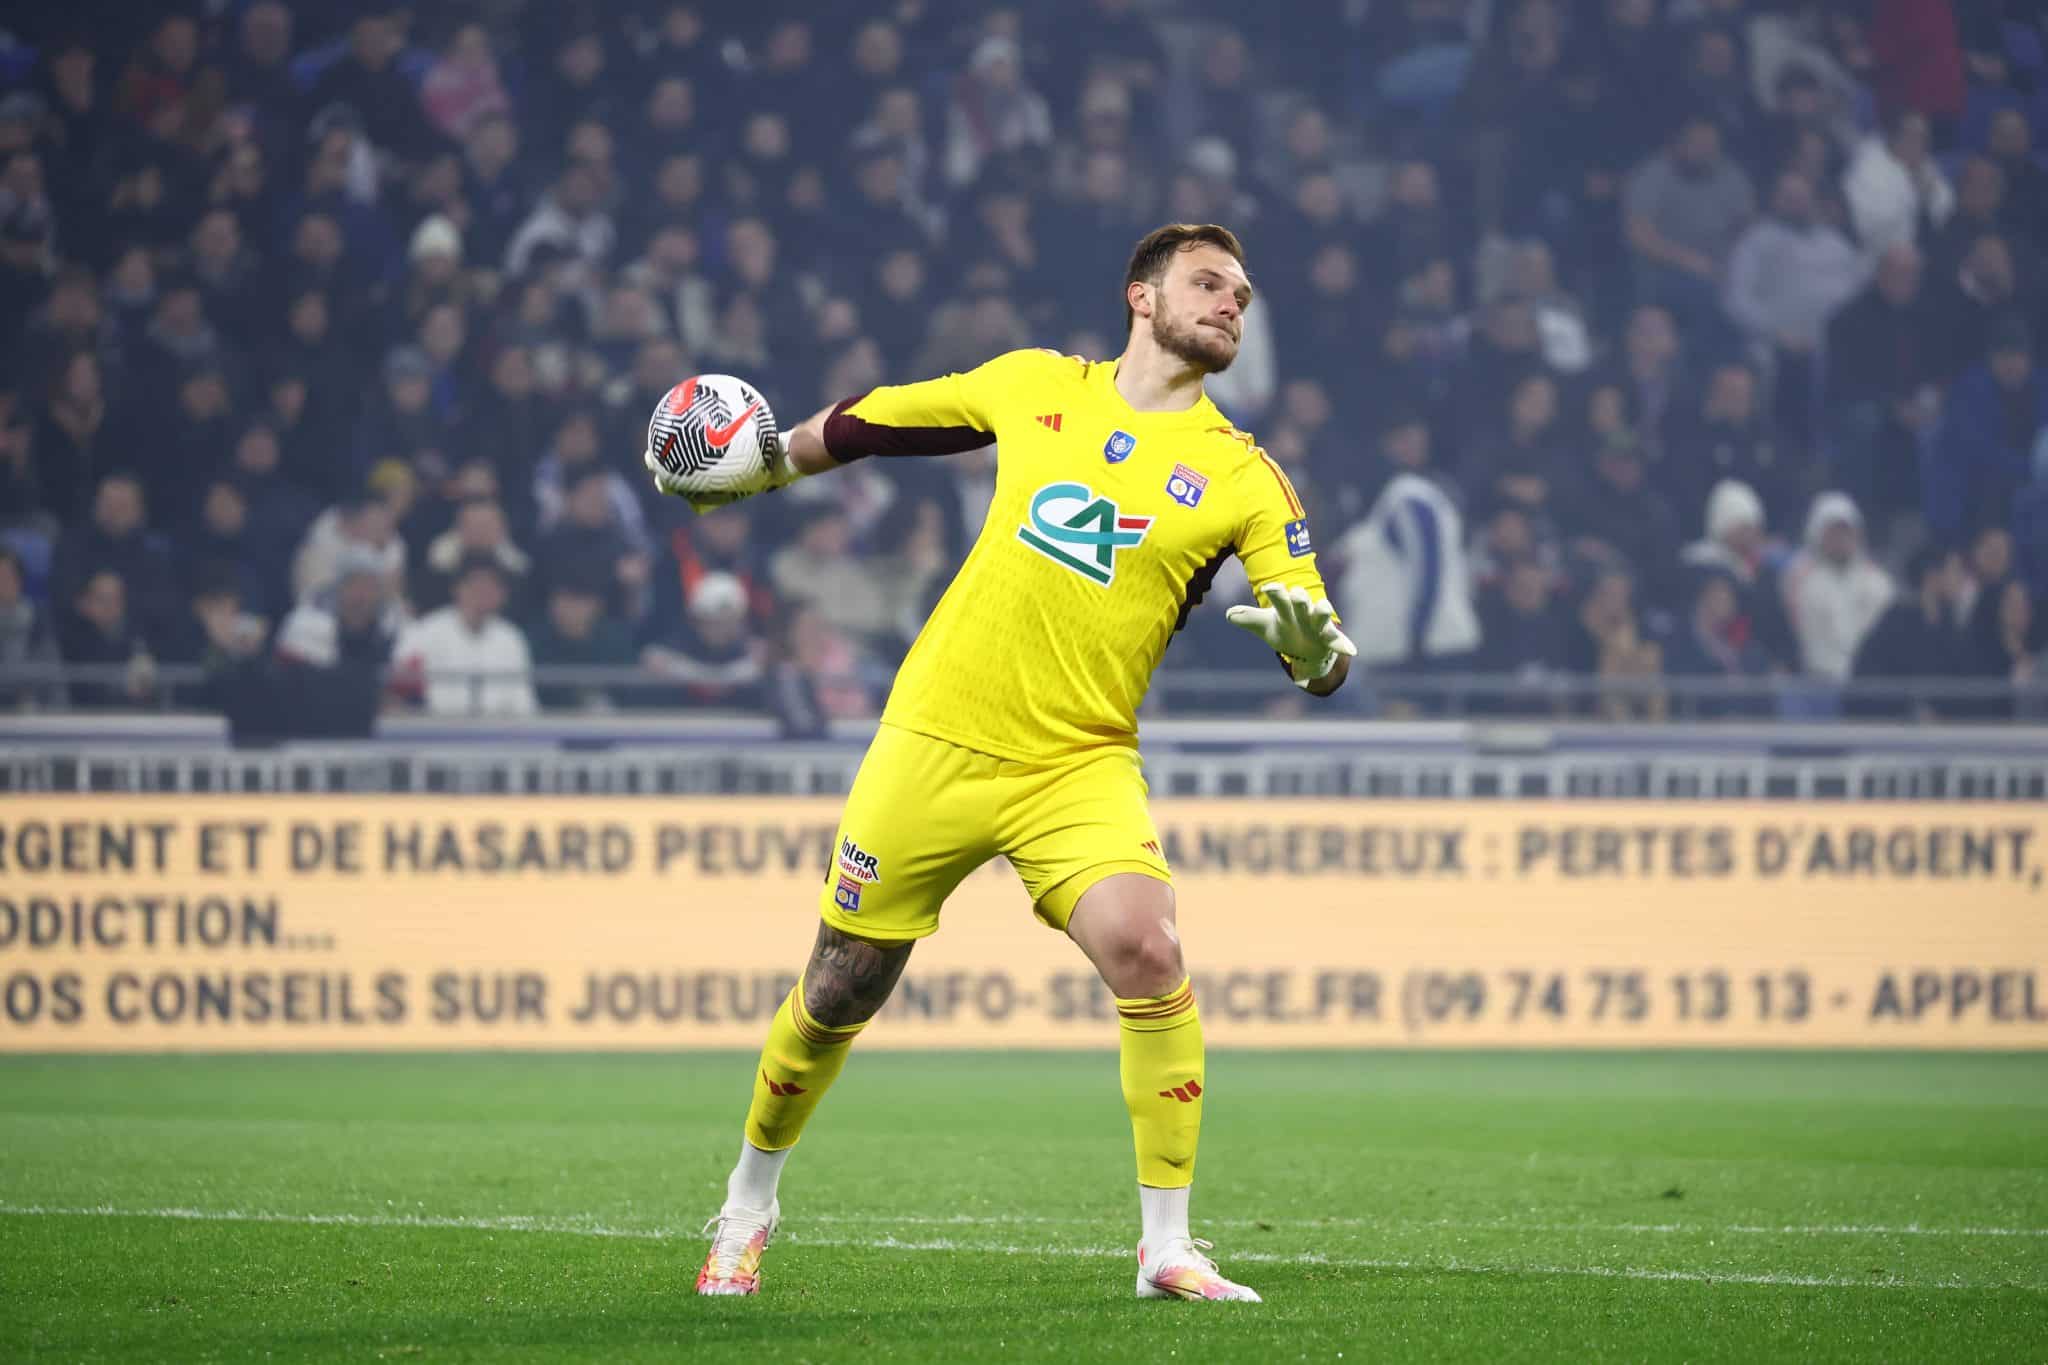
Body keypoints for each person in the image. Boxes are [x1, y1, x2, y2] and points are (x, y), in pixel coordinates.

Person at [657, 224, 1355, 1303]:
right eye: (1208, 283)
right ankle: (748, 1203)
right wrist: (764, 466)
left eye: (1242, 293)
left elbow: (1316, 639)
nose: (1231, 303)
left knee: (1150, 949)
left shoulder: (1245, 476)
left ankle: (1165, 1246)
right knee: (838, 988)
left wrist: (1317, 658)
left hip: (1077, 762)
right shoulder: (1035, 384)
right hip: (934, 735)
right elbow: (878, 418)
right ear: (1141, 297)